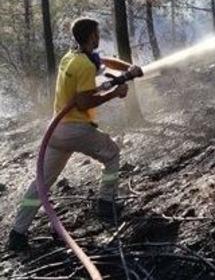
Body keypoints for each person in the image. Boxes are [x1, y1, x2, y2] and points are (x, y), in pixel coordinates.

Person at [6, 17, 143, 251]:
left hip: (56, 131)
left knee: (41, 182)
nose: (99, 37)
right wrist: (116, 93)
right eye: (97, 34)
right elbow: (82, 102)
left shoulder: (72, 57)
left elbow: (102, 61)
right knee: (112, 154)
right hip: (76, 128)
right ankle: (106, 204)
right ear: (91, 36)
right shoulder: (84, 66)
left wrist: (127, 69)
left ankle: (17, 233)